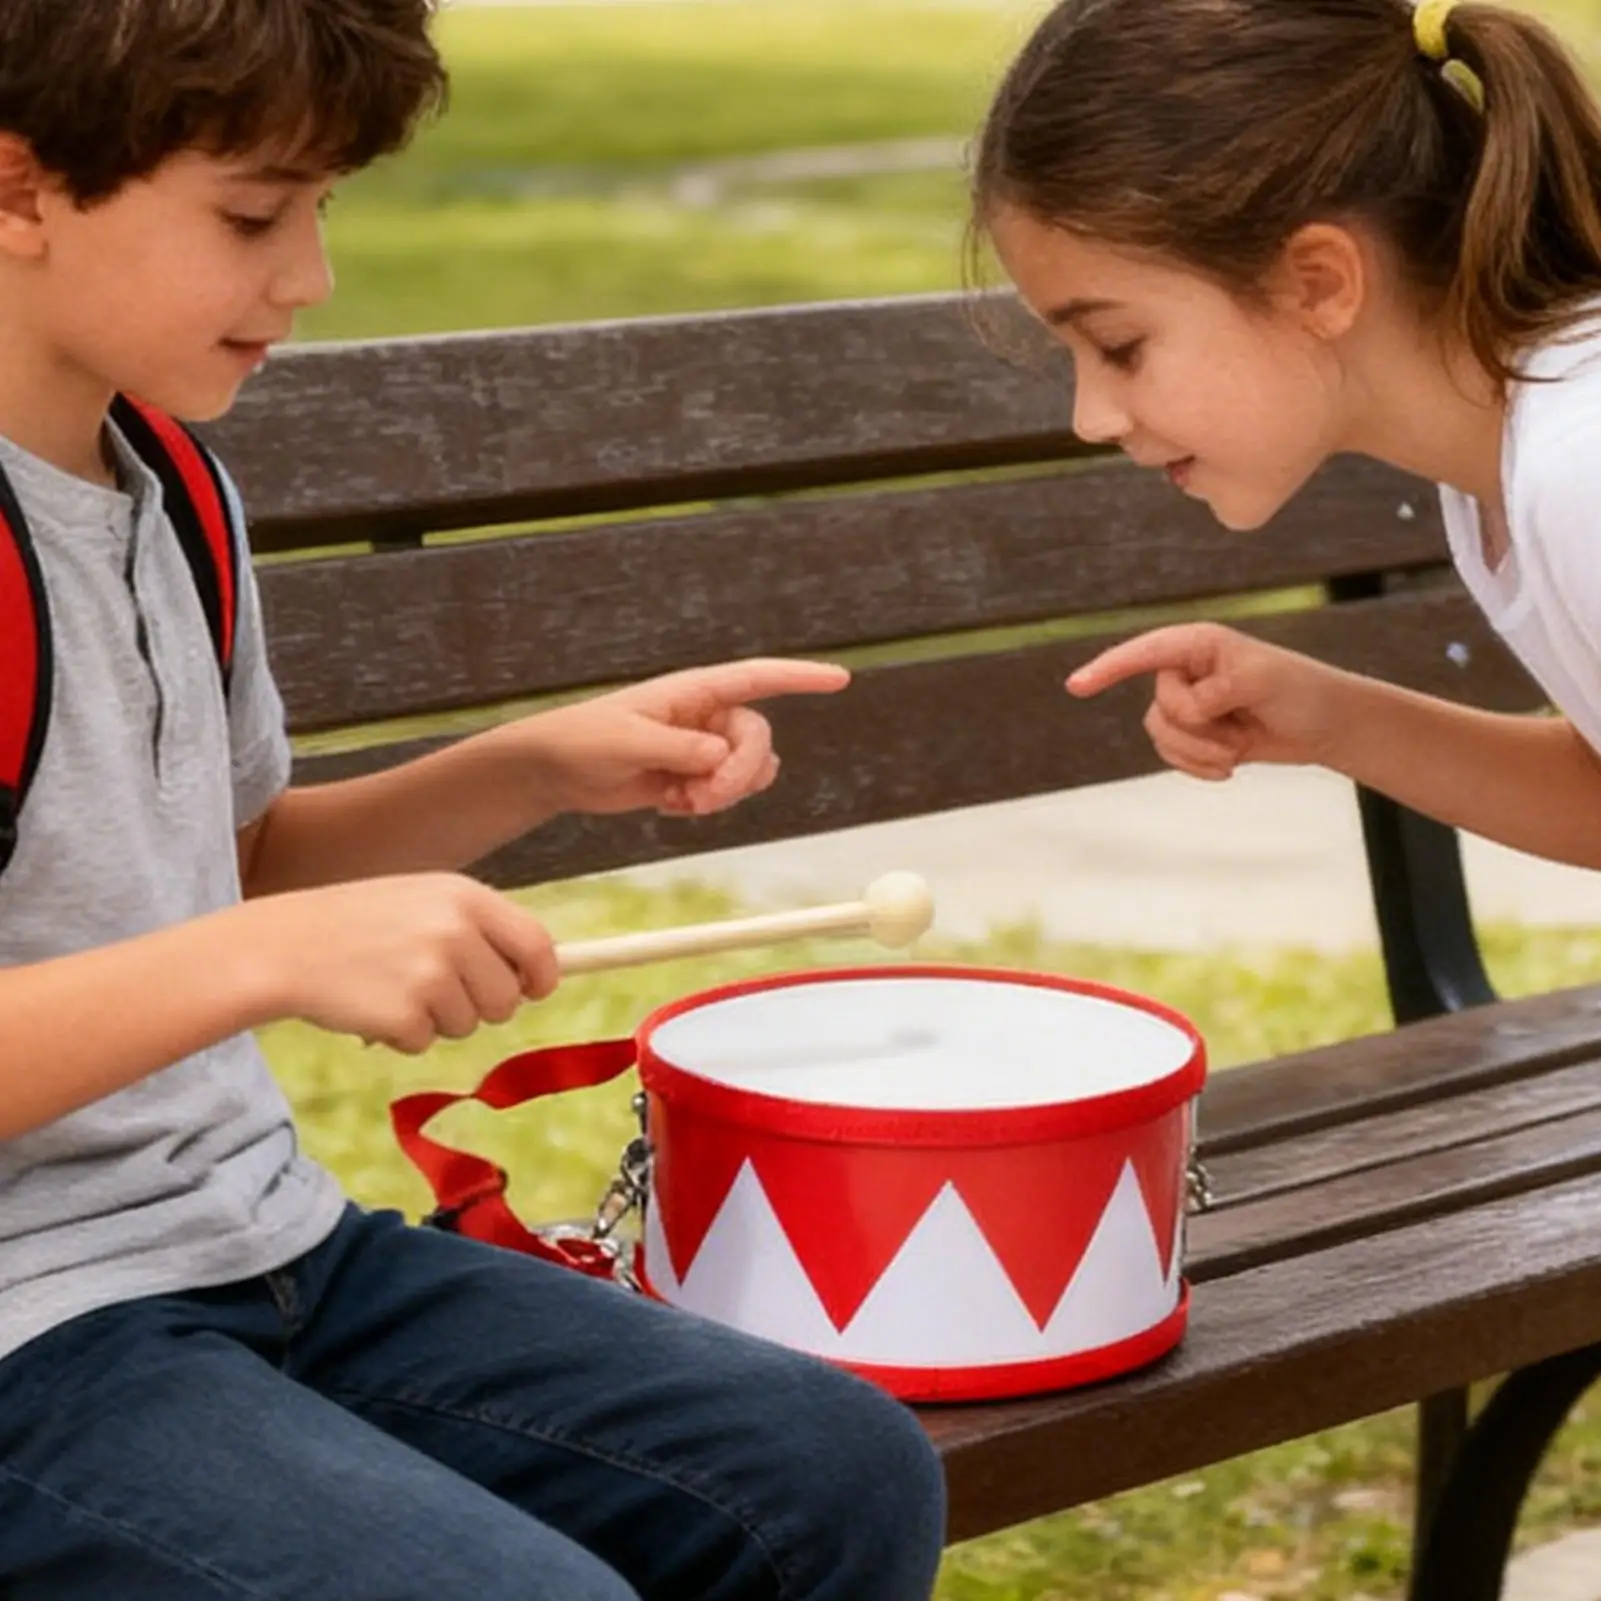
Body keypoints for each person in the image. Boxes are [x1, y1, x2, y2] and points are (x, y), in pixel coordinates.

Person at [0, 2, 947, 1596]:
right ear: (21, 187)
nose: (307, 276)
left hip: (265, 1245)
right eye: (251, 215)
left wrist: (527, 768)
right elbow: (233, 948)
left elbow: (223, 874)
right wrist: (257, 967)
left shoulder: (166, 479)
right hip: (33, 1331)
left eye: (320, 207)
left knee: (833, 1482)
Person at [973, 0, 1601, 878]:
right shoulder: (1506, 467)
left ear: (1317, 282)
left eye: (1119, 346)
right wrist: (1330, 717)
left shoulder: (1577, 471)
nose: (1091, 417)